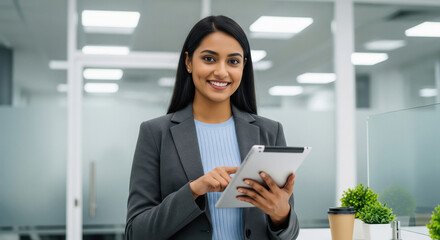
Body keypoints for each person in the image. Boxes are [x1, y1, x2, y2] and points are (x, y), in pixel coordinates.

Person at [125, 15, 300, 240]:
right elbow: (135, 233)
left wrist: (281, 215)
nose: (221, 72)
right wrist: (195, 190)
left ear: (243, 67)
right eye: (209, 59)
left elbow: (290, 233)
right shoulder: (155, 134)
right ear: (188, 62)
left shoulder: (270, 132)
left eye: (233, 61)